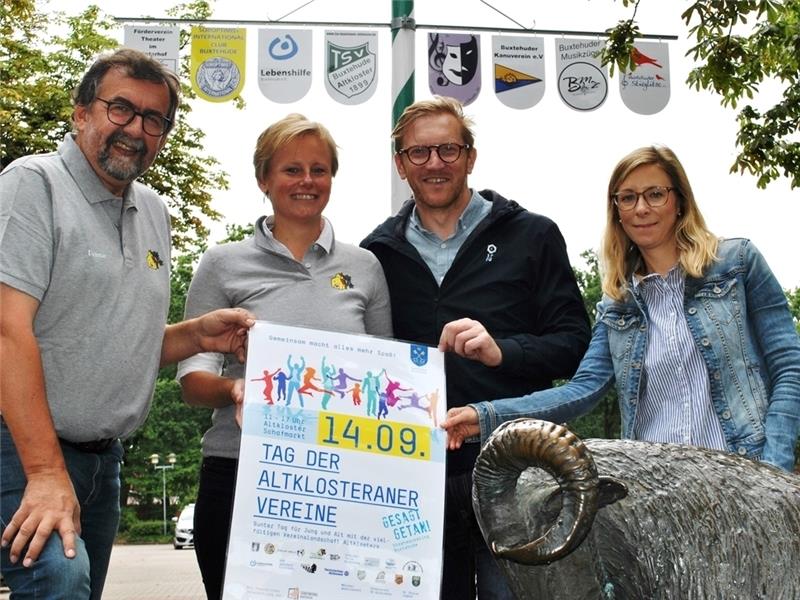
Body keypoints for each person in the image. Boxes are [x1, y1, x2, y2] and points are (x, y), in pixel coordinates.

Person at [0, 48, 255, 600]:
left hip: (104, 461)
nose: (135, 129)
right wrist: (45, 474)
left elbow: (106, 339)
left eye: (153, 119)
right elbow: (7, 330)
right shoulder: (32, 183)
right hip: (23, 449)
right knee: (57, 584)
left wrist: (196, 335)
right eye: (121, 109)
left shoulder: (154, 211)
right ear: (81, 112)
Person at [443, 145, 800, 473]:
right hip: (658, 487)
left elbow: (789, 368)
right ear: (617, 210)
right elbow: (579, 391)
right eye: (627, 198)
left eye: (655, 194)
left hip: (742, 475)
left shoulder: (737, 264)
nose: (641, 208)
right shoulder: (618, 304)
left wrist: (772, 469)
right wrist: (485, 414)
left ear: (680, 201)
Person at [361, 96, 591, 600]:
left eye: (448, 149)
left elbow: (576, 345)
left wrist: (502, 351)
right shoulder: (374, 255)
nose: (435, 164)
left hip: (513, 467)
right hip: (411, 476)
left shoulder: (532, 234)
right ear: (400, 164)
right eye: (418, 153)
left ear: (471, 156)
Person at [176, 113, 393, 600]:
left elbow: (384, 379)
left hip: (343, 479)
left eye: (319, 169)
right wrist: (234, 388)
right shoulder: (222, 263)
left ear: (332, 179)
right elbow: (192, 381)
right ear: (263, 179)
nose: (307, 181)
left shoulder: (366, 267)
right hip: (240, 470)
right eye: (291, 169)